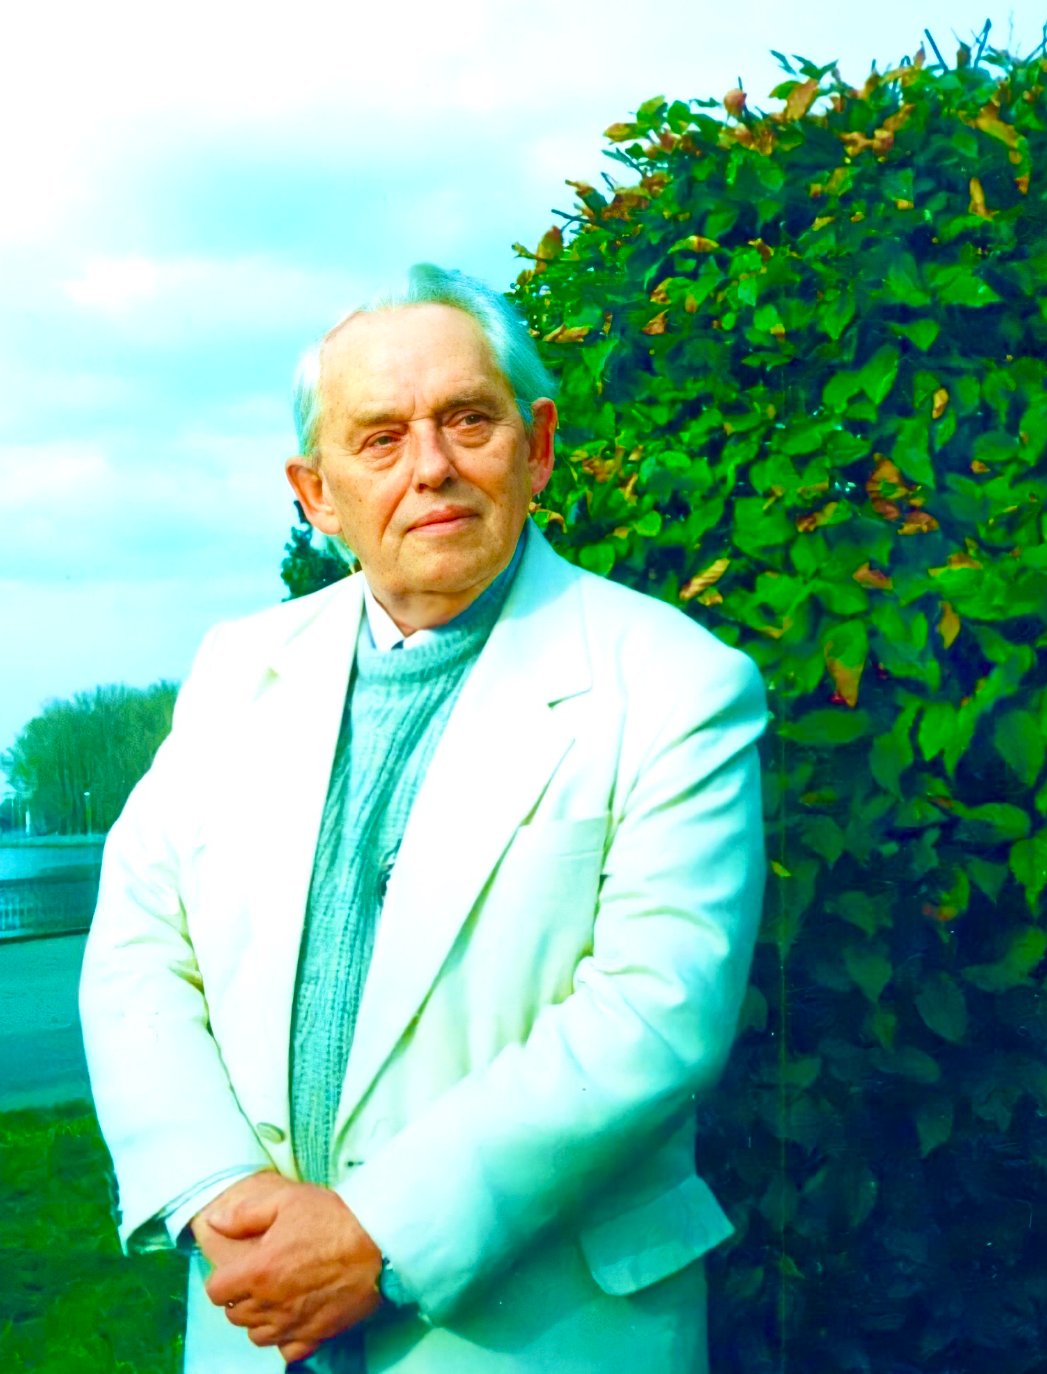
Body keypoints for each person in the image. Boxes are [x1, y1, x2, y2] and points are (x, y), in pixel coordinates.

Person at [78, 263, 767, 1373]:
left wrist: (375, 1236)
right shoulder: (237, 667)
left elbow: (656, 1011)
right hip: (256, 1315)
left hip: (532, 1335)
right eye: (381, 438)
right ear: (316, 494)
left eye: (468, 420)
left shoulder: (676, 683)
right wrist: (214, 1187)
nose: (432, 465)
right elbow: (138, 947)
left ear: (537, 447)